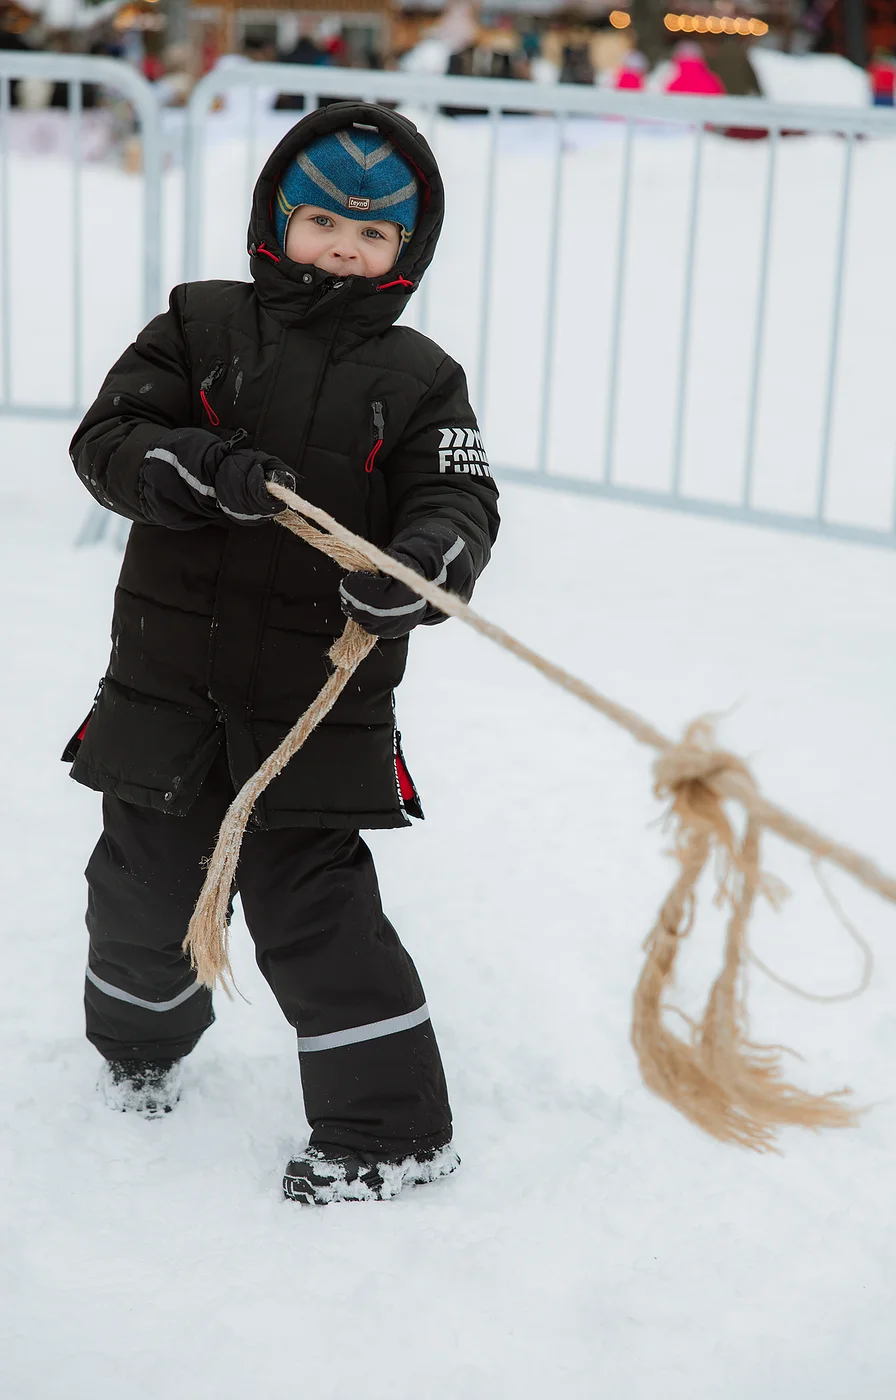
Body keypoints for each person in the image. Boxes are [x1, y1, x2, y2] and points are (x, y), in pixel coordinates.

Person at [66, 103, 500, 1205]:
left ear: (408, 254)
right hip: (169, 683)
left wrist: (415, 565)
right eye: (320, 222)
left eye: (374, 237)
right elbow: (108, 440)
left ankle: (393, 1133)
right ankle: (144, 1044)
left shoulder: (421, 378)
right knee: (139, 884)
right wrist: (196, 463)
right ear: (275, 221)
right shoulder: (198, 326)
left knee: (318, 917)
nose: (343, 250)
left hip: (316, 704)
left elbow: (459, 500)